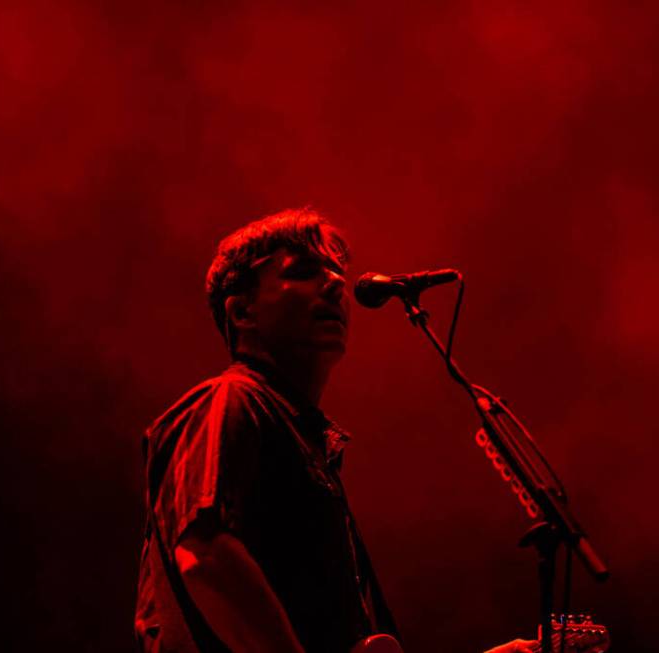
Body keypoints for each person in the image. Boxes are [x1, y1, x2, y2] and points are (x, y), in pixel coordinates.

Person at [134, 208, 538, 653]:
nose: (335, 284)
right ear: (242, 311)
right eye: (305, 272)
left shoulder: (306, 441)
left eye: (336, 272)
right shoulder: (231, 401)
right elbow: (205, 555)